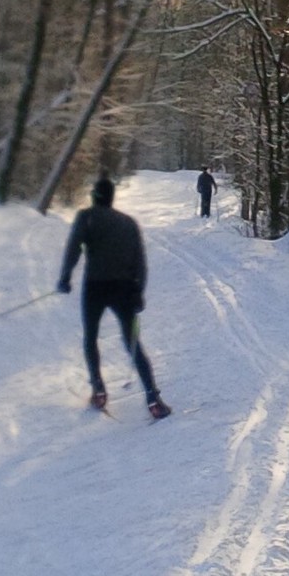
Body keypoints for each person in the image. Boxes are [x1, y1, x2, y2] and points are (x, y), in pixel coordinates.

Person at [57, 174, 171, 417]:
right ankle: (153, 398)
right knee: (132, 343)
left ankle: (99, 389)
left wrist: (65, 277)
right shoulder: (128, 223)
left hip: (95, 287)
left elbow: (73, 248)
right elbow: (140, 261)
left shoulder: (85, 218)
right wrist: (139, 291)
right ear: (111, 197)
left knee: (90, 338)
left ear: (94, 196)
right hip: (124, 288)